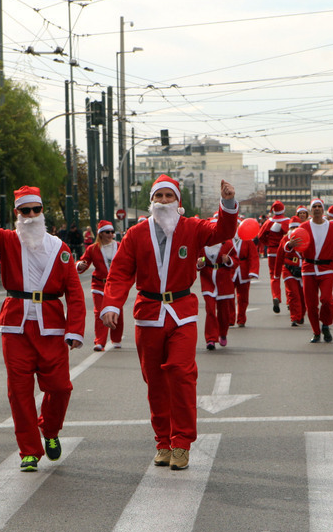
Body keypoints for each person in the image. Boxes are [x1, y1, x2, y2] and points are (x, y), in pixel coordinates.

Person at [100, 174, 237, 471]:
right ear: (151, 202)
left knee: (181, 372)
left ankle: (182, 443)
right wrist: (111, 303)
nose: (163, 201)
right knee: (155, 382)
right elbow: (121, 272)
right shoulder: (136, 234)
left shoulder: (193, 228)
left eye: (169, 196)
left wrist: (227, 202)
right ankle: (163, 441)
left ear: (178, 203)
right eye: (158, 196)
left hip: (182, 312)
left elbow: (222, 230)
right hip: (148, 314)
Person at [0, 174, 85, 471]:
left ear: (43, 212)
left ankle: (51, 430)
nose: (30, 216)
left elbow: (75, 293)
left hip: (52, 328)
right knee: (19, 392)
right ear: (16, 213)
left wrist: (75, 330)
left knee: (60, 388)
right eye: (24, 211)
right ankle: (29, 450)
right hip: (16, 326)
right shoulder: (6, 241)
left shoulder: (60, 249)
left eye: (35, 210)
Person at [287, 198, 333, 344]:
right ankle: (316, 332)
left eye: (320, 206)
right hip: (308, 268)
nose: (317, 209)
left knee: (327, 300)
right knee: (311, 304)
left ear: (323, 209)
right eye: (315, 207)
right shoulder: (304, 227)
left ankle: (325, 324)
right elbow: (291, 246)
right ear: (310, 210)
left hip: (326, 268)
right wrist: (290, 244)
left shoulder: (332, 227)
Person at [76, 220, 124, 351]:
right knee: (99, 313)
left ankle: (116, 339)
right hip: (98, 285)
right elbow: (82, 261)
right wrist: (80, 265)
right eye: (107, 232)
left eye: (112, 232)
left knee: (117, 312)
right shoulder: (93, 248)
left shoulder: (120, 246)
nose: (110, 234)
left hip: (115, 286)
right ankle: (100, 342)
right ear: (101, 234)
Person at [198, 228, 236, 350]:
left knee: (224, 312)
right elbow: (198, 259)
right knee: (210, 309)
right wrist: (199, 263)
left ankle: (223, 333)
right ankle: (210, 339)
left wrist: (229, 260)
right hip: (208, 279)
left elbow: (236, 260)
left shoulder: (228, 244)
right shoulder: (202, 245)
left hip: (223, 281)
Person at [257, 201, 290, 314]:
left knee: (274, 275)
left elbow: (260, 236)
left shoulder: (268, 222)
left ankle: (276, 296)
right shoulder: (287, 221)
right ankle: (290, 300)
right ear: (283, 210)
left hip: (272, 252)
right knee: (287, 275)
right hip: (285, 251)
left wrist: (268, 243)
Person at [232, 227, 260, 327]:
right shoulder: (226, 240)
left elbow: (253, 256)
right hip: (229, 271)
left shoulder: (248, 240)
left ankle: (241, 319)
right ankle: (230, 319)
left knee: (243, 297)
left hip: (243, 271)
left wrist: (253, 271)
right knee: (229, 296)